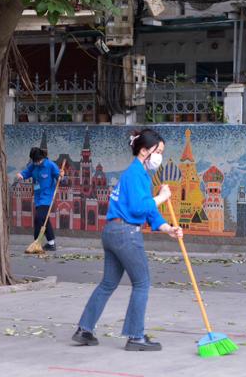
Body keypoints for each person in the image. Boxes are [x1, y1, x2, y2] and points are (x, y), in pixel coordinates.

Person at [72, 129, 183, 351]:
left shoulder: (139, 174)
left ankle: (85, 330)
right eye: (158, 151)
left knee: (108, 283)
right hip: (126, 233)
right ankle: (135, 337)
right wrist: (162, 197)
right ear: (144, 151)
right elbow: (139, 207)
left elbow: (148, 211)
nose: (160, 157)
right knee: (142, 283)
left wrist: (167, 228)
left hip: (112, 232)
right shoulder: (135, 174)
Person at [16, 147, 63, 251]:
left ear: (42, 157)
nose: (36, 163)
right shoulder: (33, 165)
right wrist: (21, 175)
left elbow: (59, 177)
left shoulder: (50, 165)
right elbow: (27, 171)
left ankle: (36, 242)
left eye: (38, 161)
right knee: (44, 219)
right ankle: (51, 244)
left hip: (47, 196)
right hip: (38, 196)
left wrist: (61, 176)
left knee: (39, 218)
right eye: (34, 161)